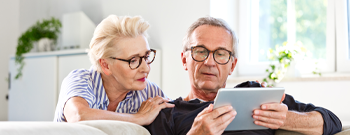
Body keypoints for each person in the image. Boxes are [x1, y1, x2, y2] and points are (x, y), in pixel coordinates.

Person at [145, 17, 342, 135]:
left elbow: (332, 121)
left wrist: (286, 119)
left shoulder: (256, 95)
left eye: (221, 53)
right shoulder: (166, 114)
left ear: (233, 65)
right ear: (184, 60)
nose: (210, 62)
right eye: (200, 51)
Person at [53, 15, 174, 125]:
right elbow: (78, 116)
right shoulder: (81, 80)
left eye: (147, 57)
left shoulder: (150, 92)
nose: (146, 68)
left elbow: (175, 120)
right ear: (105, 65)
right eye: (133, 60)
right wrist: (138, 118)